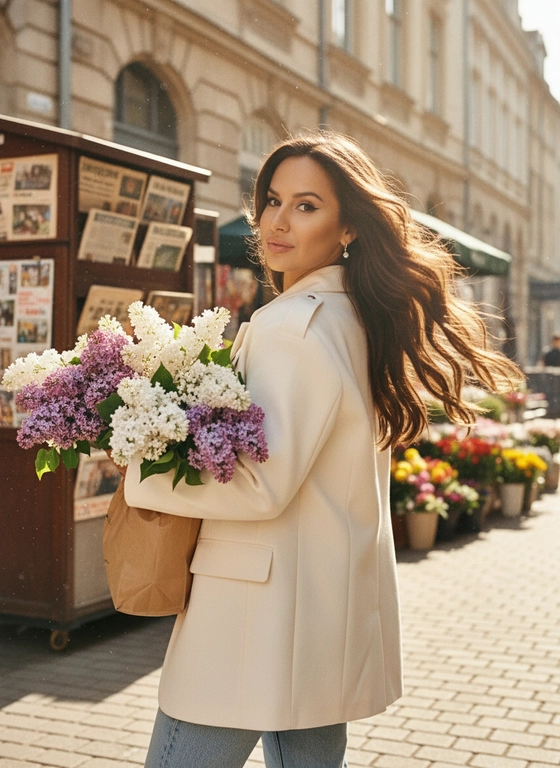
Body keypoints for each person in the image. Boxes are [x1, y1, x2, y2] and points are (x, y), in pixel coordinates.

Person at [122, 131, 522, 768]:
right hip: (316, 617)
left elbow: (259, 483)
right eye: (273, 200)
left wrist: (136, 456)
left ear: (348, 229)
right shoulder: (353, 320)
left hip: (253, 616)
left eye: (307, 206)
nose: (278, 222)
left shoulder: (293, 326)